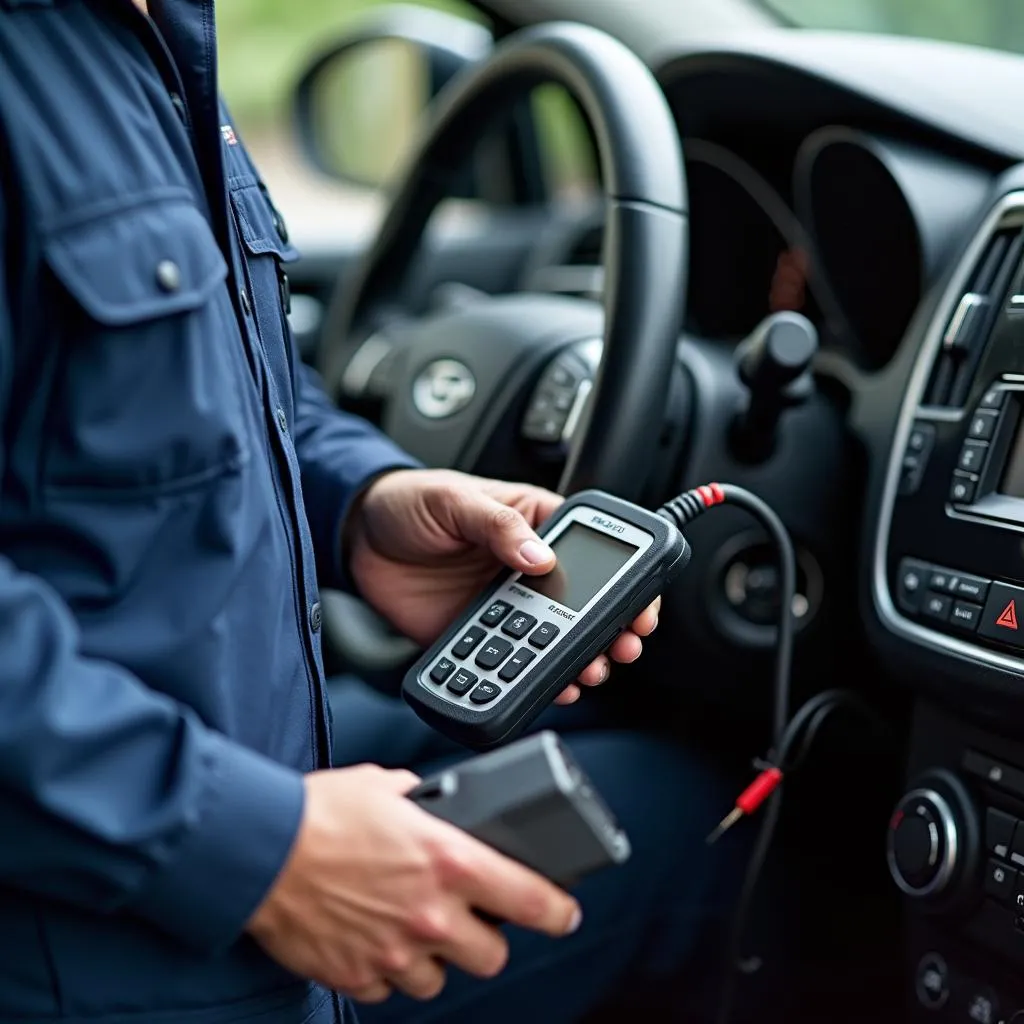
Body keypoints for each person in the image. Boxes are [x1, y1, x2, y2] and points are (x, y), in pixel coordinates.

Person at [0, 2, 727, 1022]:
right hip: (110, 933)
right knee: (699, 837)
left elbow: (234, 385)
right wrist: (265, 849)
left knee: (640, 764)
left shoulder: (156, 40)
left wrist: (365, 507)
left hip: (234, 752)